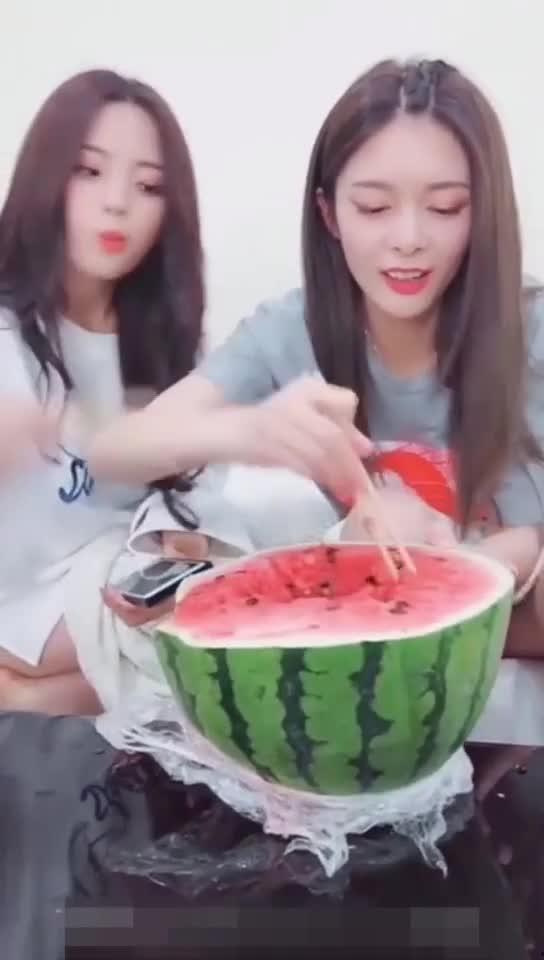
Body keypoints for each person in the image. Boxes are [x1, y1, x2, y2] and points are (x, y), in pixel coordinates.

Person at [89, 57, 544, 656]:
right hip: (353, 663)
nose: (409, 239)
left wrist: (506, 554)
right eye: (374, 208)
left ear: (482, 212)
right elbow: (115, 450)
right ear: (329, 214)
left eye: (445, 208)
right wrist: (251, 431)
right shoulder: (289, 332)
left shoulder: (532, 332)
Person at [0, 68, 209, 714]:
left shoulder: (167, 348)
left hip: (119, 598)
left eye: (148, 186)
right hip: (26, 611)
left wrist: (181, 539)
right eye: (88, 172)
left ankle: (23, 699)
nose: (117, 203)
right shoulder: (7, 339)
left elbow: (188, 495)